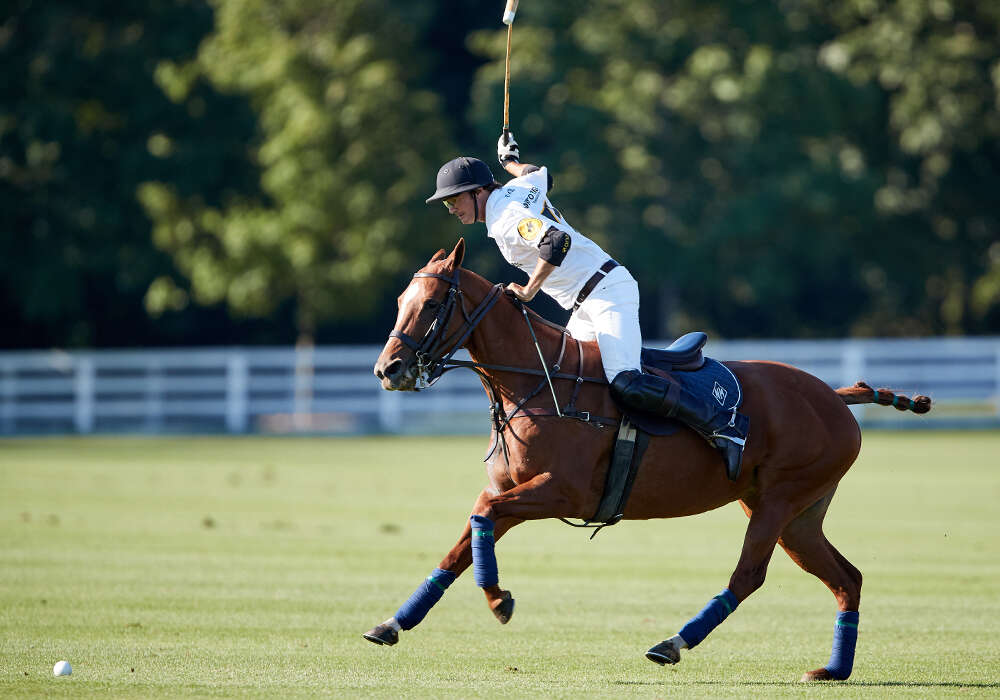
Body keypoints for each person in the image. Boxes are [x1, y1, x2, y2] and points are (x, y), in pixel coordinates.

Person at [424, 132, 747, 480]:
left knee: (625, 380)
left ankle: (723, 425)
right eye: (446, 203)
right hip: (583, 304)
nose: (451, 208)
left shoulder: (505, 219)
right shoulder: (513, 192)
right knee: (568, 382)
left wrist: (531, 290)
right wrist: (510, 163)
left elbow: (556, 242)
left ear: (478, 192)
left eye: (454, 199)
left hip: (607, 291)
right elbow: (542, 175)